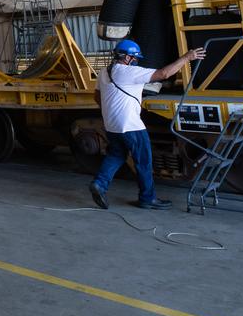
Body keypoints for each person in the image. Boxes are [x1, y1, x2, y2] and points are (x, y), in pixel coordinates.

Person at [88, 39, 205, 211]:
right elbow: (164, 74)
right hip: (131, 125)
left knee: (116, 154)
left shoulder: (104, 72)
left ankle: (99, 184)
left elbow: (97, 97)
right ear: (127, 57)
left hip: (111, 124)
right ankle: (147, 198)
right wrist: (187, 57)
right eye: (134, 58)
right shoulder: (129, 71)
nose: (136, 61)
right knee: (143, 161)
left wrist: (113, 110)